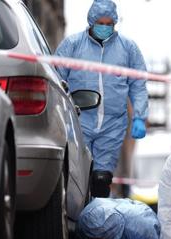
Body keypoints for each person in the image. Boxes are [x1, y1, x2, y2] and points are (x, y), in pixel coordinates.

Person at [55, 0, 148, 198]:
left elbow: (138, 84)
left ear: (114, 23)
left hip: (113, 125)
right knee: (77, 177)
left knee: (101, 179)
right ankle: (77, 219)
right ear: (91, 21)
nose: (104, 27)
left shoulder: (128, 49)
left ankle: (95, 223)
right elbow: (57, 80)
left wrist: (139, 116)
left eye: (109, 24)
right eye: (100, 23)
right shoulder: (72, 46)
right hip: (78, 123)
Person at [76, 198, 161, 239]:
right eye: (92, 238)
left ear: (111, 235)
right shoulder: (86, 219)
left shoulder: (143, 225)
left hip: (139, 219)